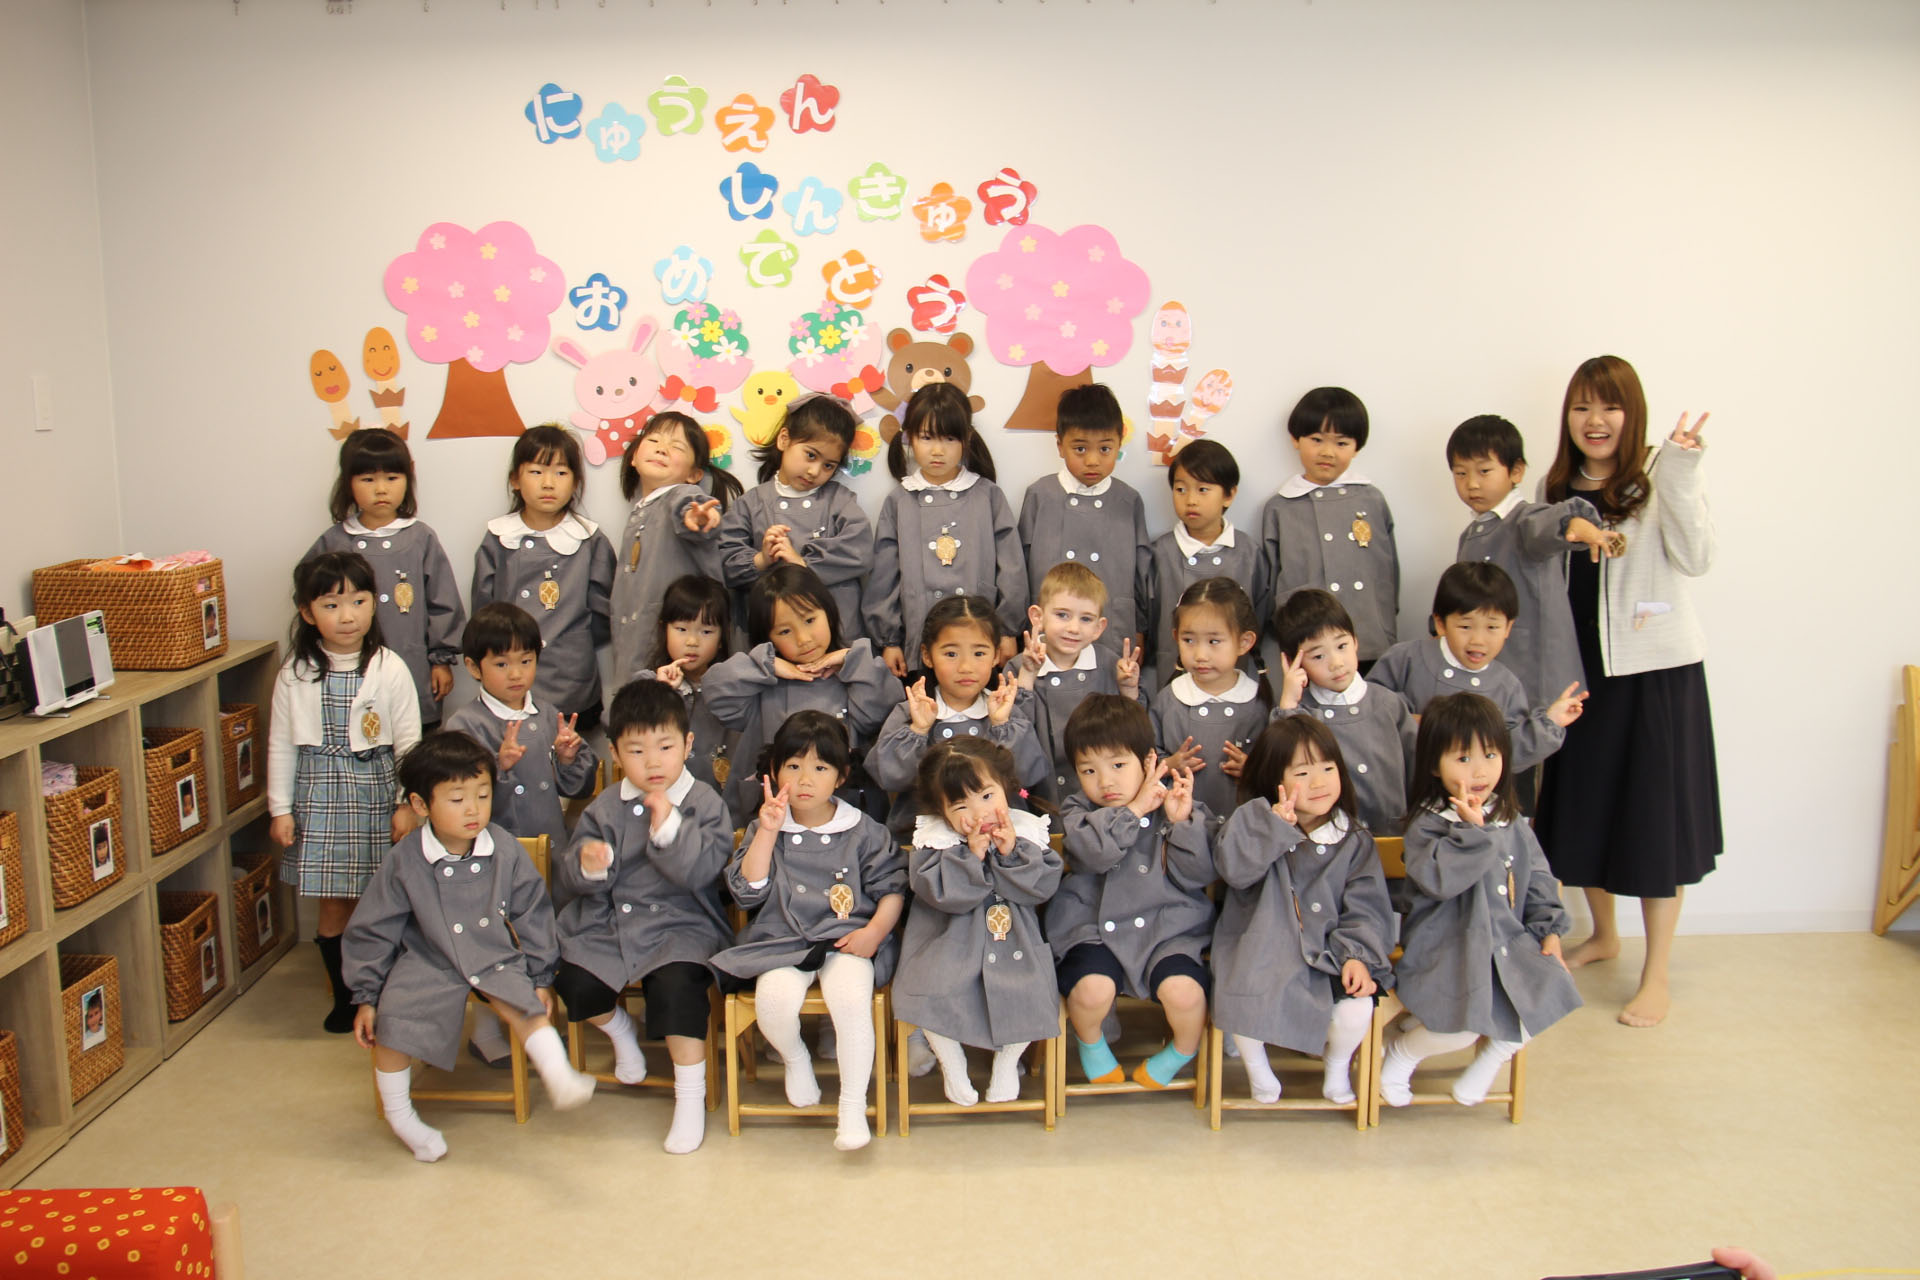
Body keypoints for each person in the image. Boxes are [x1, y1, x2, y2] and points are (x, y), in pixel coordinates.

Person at [1535, 355, 1721, 1028]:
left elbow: (1697, 557)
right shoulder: (1556, 485)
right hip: (1580, 674)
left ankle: (1656, 973)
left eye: (1608, 406)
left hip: (1652, 675)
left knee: (1651, 823)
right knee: (1584, 810)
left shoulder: (1659, 474)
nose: (1595, 420)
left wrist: (1682, 469)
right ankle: (1605, 935)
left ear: (1631, 412)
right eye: (1582, 406)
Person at [344, 732, 596, 1162]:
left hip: (493, 953)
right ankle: (401, 1116)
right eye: (457, 799)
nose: (473, 809)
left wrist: (540, 975)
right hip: (428, 958)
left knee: (526, 1006)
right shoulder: (405, 858)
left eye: (482, 795)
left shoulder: (504, 848)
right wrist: (366, 995)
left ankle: (559, 1074)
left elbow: (532, 913)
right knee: (393, 1021)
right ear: (421, 804)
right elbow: (375, 927)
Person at [552, 680, 734, 1154]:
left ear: (688, 745)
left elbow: (702, 871)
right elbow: (571, 871)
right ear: (614, 752)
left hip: (683, 924)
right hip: (609, 923)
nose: (653, 762)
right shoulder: (605, 805)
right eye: (636, 750)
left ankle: (689, 1100)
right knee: (575, 983)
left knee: (677, 991)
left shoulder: (704, 802)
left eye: (665, 747)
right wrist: (590, 864)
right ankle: (620, 1032)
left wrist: (669, 826)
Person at [711, 712, 907, 1151]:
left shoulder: (863, 830)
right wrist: (767, 832)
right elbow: (746, 893)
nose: (805, 780)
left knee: (851, 1001)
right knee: (773, 1002)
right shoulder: (767, 825)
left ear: (841, 776)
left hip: (848, 937)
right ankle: (795, 1057)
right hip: (782, 939)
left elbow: (893, 888)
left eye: (820, 768)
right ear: (774, 770)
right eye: (793, 766)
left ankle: (852, 1107)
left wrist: (874, 933)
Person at [1378, 693, 1581, 1107]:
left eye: (1490, 755)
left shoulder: (1510, 819)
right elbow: (1440, 882)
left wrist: (1549, 932)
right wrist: (1473, 833)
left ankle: (1492, 1057)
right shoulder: (1428, 825)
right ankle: (1402, 1054)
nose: (1479, 771)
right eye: (1463, 758)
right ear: (1434, 765)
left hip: (1506, 943)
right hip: (1447, 948)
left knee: (1550, 992)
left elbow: (1539, 878)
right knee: (1463, 1027)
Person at [267, 551, 421, 1034]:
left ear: (373, 603)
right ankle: (345, 997)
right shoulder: (295, 672)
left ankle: (382, 991)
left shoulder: (389, 667)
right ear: (307, 612)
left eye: (357, 601)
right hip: (320, 794)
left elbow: (409, 743)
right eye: (331, 605)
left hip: (375, 791)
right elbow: (280, 744)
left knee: (382, 898)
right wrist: (280, 809)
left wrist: (406, 802)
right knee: (334, 902)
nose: (347, 616)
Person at [1211, 717, 1392, 1104]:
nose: (1319, 782)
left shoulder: (1354, 840)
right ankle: (1259, 1072)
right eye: (1303, 773)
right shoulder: (1253, 819)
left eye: (1328, 768)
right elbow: (1235, 872)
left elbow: (1367, 908)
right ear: (1273, 778)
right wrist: (1274, 830)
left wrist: (1356, 956)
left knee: (1356, 1009)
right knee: (1240, 995)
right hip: (1261, 948)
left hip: (1329, 952)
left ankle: (1336, 1068)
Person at [1052, 695, 1212, 1090]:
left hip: (1168, 928)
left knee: (1185, 994)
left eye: (1118, 766)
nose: (1105, 782)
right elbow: (1094, 856)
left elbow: (1198, 875)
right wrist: (1135, 811)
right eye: (1088, 770)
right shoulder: (1076, 810)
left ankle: (1182, 1051)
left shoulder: (1177, 800)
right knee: (1091, 991)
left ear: (1149, 761)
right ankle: (1091, 1042)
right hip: (1092, 926)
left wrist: (1182, 825)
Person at [892, 738, 1063, 1108]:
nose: (979, 812)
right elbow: (940, 894)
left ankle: (1007, 1063)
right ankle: (952, 1063)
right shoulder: (934, 842)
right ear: (941, 811)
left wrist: (1010, 853)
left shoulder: (1026, 832)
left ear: (1005, 787)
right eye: (960, 806)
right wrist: (970, 857)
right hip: (947, 944)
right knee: (930, 990)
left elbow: (1042, 887)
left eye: (986, 796)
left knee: (1031, 991)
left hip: (1012, 943)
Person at [704, 564, 900, 824]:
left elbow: (885, 710)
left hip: (846, 819)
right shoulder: (761, 685)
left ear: (828, 613)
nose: (803, 638)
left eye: (810, 620)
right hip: (775, 819)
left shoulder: (852, 678)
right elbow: (716, 691)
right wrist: (767, 665)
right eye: (785, 631)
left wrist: (851, 660)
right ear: (768, 637)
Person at [1446, 413, 1615, 710]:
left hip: (1536, 675)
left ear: (1516, 471)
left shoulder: (1525, 520)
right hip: (1492, 672)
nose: (1471, 484)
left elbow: (1553, 522)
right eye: (1460, 473)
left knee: (1534, 734)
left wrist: (1577, 525)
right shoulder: (1470, 535)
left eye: (1484, 471)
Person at [303, 427, 464, 730]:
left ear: (407, 479)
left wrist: (441, 661)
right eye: (368, 479)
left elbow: (443, 604)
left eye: (391, 478)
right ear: (348, 483)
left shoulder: (420, 539)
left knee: (414, 739)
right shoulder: (335, 542)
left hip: (414, 667)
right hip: (349, 672)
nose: (381, 489)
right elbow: (309, 597)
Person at [862, 382, 1027, 679]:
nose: (937, 451)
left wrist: (1007, 630)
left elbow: (1012, 569)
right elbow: (884, 578)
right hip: (920, 640)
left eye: (949, 439)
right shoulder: (900, 501)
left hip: (979, 641)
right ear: (910, 437)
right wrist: (889, 641)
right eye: (927, 438)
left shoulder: (987, 496)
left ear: (966, 439)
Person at [1369, 562, 1585, 774]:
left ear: (1508, 627)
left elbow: (1510, 751)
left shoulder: (1506, 686)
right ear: (1440, 623)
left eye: (1492, 627)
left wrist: (1551, 722)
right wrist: (1410, 720)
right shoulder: (1406, 658)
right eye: (1465, 626)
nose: (1478, 640)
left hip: (1473, 794)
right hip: (1407, 787)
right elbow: (1368, 707)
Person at [470, 425, 615, 733]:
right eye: (536, 472)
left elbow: (604, 613)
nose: (548, 483)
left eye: (561, 473)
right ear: (515, 480)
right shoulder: (499, 538)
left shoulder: (589, 540)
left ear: (576, 482)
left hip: (570, 676)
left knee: (571, 753)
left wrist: (572, 642)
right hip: (510, 676)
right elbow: (483, 610)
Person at [866, 595, 1048, 839]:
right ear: (927, 655)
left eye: (979, 653)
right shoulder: (913, 711)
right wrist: (918, 730)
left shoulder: (1004, 711)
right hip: (926, 838)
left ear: (996, 655)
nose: (965, 667)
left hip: (998, 834)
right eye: (951, 654)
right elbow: (887, 777)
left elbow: (1027, 776)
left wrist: (1001, 725)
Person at [1258, 386, 1399, 665]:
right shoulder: (1281, 507)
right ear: (1295, 439)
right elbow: (1270, 581)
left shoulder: (1371, 499)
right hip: (1306, 644)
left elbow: (1388, 572)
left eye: (1341, 443)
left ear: (1357, 447)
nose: (1327, 452)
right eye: (1316, 439)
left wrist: (1384, 622)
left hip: (1369, 638)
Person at [718, 393, 872, 642]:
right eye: (811, 455)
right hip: (772, 644)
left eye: (829, 465)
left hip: (837, 636)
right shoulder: (750, 504)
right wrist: (761, 559)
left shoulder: (840, 501)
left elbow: (860, 551)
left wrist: (803, 563)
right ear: (784, 439)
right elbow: (724, 563)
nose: (814, 471)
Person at [1016, 383, 1149, 662]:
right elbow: (1021, 569)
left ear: (1119, 444)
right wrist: (1018, 628)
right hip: (1051, 636)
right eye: (1080, 448)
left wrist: (1140, 628)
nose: (1092, 460)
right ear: (1060, 446)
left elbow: (1142, 573)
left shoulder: (1128, 500)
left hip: (1112, 629)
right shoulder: (1041, 496)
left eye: (1105, 448)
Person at [608, 411, 740, 688]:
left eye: (677, 446)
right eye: (653, 440)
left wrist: (698, 517)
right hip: (634, 653)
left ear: (694, 474)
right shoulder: (640, 513)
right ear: (633, 457)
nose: (662, 448)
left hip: (676, 657)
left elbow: (689, 506)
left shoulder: (679, 496)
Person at [1271, 589, 1417, 834]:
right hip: (1332, 845)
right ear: (1293, 662)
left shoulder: (1388, 704)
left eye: (1341, 646)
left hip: (1394, 836)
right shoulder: (1300, 714)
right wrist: (1288, 705)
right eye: (1318, 656)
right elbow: (1280, 764)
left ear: (1355, 642)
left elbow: (1418, 771)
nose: (1336, 663)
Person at [1009, 562, 1144, 804]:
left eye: (1086, 619)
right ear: (1038, 617)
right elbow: (1014, 740)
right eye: (1062, 615)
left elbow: (1134, 735)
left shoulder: (1109, 664)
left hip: (1103, 794)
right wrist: (1027, 677)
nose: (1073, 628)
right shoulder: (1019, 666)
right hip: (1043, 794)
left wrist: (1129, 690)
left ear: (1099, 628)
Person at [1144, 439, 1266, 688]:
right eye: (1180, 489)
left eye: (1202, 490)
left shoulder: (1248, 553)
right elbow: (1148, 619)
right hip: (1171, 676)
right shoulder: (1159, 554)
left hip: (1235, 679)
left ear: (1229, 495)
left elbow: (1260, 615)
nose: (1190, 500)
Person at [1150, 578, 1271, 829]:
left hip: (1245, 830)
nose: (1200, 655)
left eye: (1214, 641)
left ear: (1244, 642)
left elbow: (1279, 766)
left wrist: (1254, 769)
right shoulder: (1169, 700)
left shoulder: (1258, 703)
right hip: (1181, 828)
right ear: (1176, 637)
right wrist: (1169, 764)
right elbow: (1146, 756)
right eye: (1189, 640)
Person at [635, 575, 738, 794]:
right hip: (661, 802)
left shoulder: (731, 687)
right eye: (681, 629)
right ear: (664, 629)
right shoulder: (648, 682)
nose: (692, 642)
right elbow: (615, 724)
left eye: (706, 632)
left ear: (722, 637)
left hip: (719, 803)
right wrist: (659, 692)